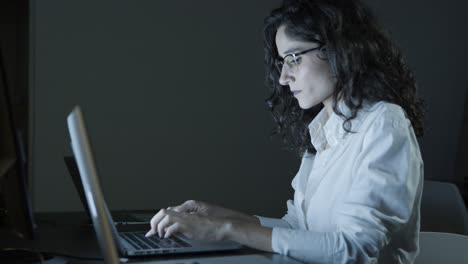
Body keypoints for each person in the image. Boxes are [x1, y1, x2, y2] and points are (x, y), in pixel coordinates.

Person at [145, 0, 425, 263]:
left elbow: (353, 251)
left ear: (340, 49)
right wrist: (215, 217)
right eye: (282, 61)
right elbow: (298, 229)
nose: (283, 77)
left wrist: (226, 229)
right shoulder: (323, 131)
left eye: (294, 58)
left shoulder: (385, 123)